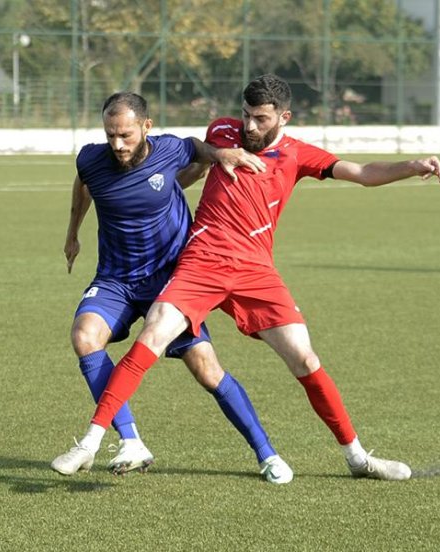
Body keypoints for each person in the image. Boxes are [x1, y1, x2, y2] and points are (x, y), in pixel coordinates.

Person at [53, 74, 440, 481]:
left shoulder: (298, 155)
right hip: (201, 261)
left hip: (255, 270)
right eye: (246, 115)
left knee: (304, 358)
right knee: (153, 333)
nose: (250, 127)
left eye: (260, 118)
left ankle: (358, 458)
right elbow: (196, 165)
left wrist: (413, 166)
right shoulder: (222, 130)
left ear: (283, 117)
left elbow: (362, 172)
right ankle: (94, 441)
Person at [52, 92, 293, 484]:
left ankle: (267, 453)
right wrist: (72, 233)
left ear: (146, 127)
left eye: (126, 135)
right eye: (111, 135)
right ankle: (131, 441)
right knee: (84, 336)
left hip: (170, 281)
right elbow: (83, 185)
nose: (117, 144)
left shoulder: (169, 149)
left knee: (206, 369)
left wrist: (221, 155)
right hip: (115, 279)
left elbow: (196, 148)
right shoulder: (91, 158)